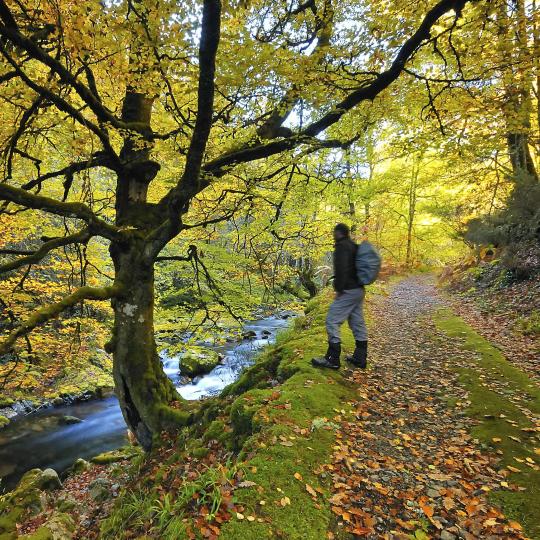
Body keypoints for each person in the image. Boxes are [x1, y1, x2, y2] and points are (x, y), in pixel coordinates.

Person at [312, 223, 368, 370]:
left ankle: (332, 359)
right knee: (357, 322)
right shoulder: (354, 246)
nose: (333, 234)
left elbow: (342, 269)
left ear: (338, 233)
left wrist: (339, 288)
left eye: (334, 232)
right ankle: (360, 358)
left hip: (348, 290)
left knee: (332, 320)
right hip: (359, 290)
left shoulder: (342, 247)